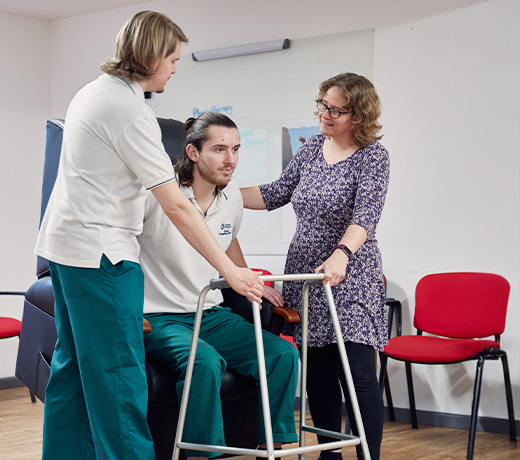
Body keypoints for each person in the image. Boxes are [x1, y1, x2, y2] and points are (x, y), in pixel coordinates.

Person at [35, 11, 263, 460]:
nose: (176, 68)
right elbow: (176, 203)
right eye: (173, 59)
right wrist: (230, 271)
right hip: (101, 257)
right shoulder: (128, 110)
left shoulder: (92, 93)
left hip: (65, 248)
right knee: (120, 377)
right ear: (151, 55)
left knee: (75, 371)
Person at [241, 72, 389, 460]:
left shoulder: (373, 156)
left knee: (357, 376)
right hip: (307, 276)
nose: (324, 114)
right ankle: (330, 454)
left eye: (335, 110)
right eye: (322, 105)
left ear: (359, 114)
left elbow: (366, 217)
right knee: (320, 375)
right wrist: (212, 190)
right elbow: (274, 193)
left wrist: (341, 253)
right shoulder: (311, 150)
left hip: (350, 274)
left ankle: (367, 456)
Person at [138, 111, 299, 460]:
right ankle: (201, 452)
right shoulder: (160, 196)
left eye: (237, 149)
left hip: (209, 313)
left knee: (283, 355)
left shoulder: (232, 199)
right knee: (204, 363)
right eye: (220, 149)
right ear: (193, 153)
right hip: (160, 316)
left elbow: (228, 239)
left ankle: (270, 445)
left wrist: (246, 279)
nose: (231, 160)